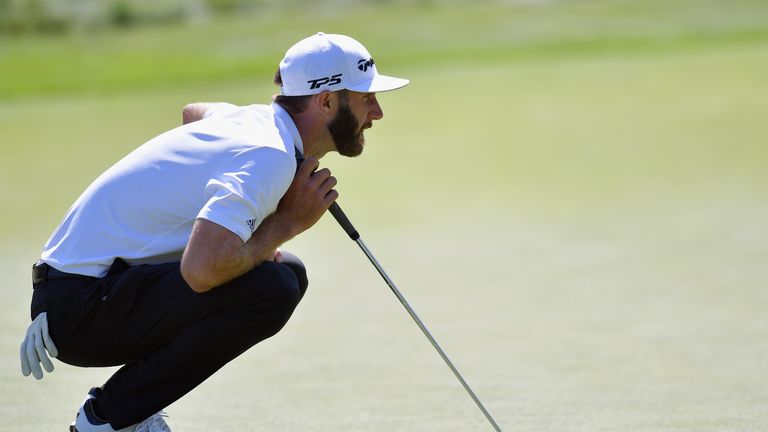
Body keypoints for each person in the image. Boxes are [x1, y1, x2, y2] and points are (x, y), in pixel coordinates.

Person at [19, 32, 408, 432]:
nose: (376, 112)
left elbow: (193, 112)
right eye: (366, 98)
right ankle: (108, 420)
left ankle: (129, 409)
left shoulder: (251, 121)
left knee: (286, 272)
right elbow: (202, 271)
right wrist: (285, 222)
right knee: (273, 286)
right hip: (80, 307)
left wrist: (249, 235)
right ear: (326, 101)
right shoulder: (268, 154)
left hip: (80, 291)